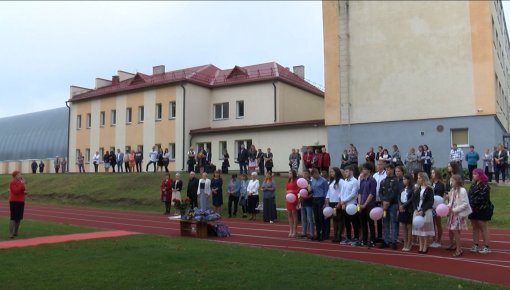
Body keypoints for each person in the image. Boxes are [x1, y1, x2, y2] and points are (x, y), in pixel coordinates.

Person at [468, 168, 494, 254]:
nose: (473, 175)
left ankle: (486, 246)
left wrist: (471, 203)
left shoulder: (485, 185)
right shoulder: (473, 185)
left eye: (475, 174)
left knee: (483, 227)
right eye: (473, 174)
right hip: (473, 209)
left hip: (482, 209)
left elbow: (482, 198)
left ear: (479, 175)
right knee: (474, 227)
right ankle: (475, 245)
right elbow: (469, 195)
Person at [447, 174, 472, 257]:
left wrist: (455, 209)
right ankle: (458, 248)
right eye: (451, 181)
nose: (451, 182)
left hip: (458, 214)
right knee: (455, 232)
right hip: (453, 214)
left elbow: (465, 204)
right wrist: (447, 208)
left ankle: (459, 249)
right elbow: (451, 202)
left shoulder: (462, 190)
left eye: (453, 181)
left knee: (456, 232)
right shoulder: (452, 190)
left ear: (457, 181)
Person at [412, 172, 435, 254]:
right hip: (417, 211)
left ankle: (425, 246)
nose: (418, 179)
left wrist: (423, 210)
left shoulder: (429, 189)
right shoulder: (417, 188)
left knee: (425, 229)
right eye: (418, 178)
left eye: (420, 178)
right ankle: (420, 245)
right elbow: (414, 200)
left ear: (424, 178)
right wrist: (415, 209)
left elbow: (430, 201)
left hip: (425, 211)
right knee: (419, 229)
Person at [379, 164, 399, 249]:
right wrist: (383, 201)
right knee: (385, 223)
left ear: (392, 170)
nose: (387, 171)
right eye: (386, 169)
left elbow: (394, 192)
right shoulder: (383, 181)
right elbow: (380, 192)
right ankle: (386, 240)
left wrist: (388, 202)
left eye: (389, 169)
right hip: (384, 205)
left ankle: (394, 241)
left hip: (393, 205)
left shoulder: (395, 180)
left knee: (393, 223)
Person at [358, 162, 376, 248]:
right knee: (363, 223)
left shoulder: (372, 180)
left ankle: (372, 240)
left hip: (370, 205)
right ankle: (364, 240)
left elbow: (372, 193)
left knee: (371, 223)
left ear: (369, 170)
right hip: (362, 205)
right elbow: (360, 193)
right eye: (363, 169)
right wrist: (359, 203)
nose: (363, 170)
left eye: (364, 169)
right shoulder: (362, 181)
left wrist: (365, 204)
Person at [311, 168, 329, 241]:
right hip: (314, 198)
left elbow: (326, 192)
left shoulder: (324, 181)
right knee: (316, 217)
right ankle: (318, 233)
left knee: (321, 217)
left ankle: (323, 233)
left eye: (314, 175)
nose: (313, 177)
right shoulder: (313, 180)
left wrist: (325, 202)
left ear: (317, 173)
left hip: (321, 199)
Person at [430, 168, 446, 248]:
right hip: (431, 206)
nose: (432, 174)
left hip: (438, 206)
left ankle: (438, 240)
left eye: (433, 173)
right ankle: (433, 240)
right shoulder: (430, 183)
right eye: (431, 173)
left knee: (438, 223)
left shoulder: (441, 184)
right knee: (432, 223)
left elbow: (440, 194)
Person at [8, 171, 27, 239]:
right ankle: (11, 234)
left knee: (19, 218)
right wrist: (22, 184)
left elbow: (23, 190)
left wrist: (24, 187)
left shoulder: (21, 183)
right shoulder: (12, 183)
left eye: (20, 174)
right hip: (14, 201)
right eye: (19, 175)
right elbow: (15, 191)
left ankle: (16, 232)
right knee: (13, 218)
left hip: (21, 201)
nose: (20, 176)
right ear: (15, 176)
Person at [398, 174, 415, 251]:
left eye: (405, 179)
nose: (403, 181)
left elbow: (411, 199)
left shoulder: (413, 188)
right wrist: (400, 206)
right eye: (403, 179)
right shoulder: (401, 188)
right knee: (403, 227)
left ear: (409, 180)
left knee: (409, 227)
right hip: (402, 209)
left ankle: (409, 243)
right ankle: (405, 243)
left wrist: (403, 206)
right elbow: (398, 197)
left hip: (408, 210)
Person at [326, 167, 342, 243]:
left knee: (339, 219)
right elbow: (329, 192)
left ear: (337, 172)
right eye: (330, 172)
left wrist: (339, 203)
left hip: (337, 202)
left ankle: (339, 235)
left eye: (332, 171)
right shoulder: (331, 181)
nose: (331, 173)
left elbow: (342, 192)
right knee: (334, 219)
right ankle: (335, 235)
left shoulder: (341, 181)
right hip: (332, 202)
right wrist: (327, 202)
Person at [373, 159, 387, 243]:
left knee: (385, 219)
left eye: (380, 164)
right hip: (376, 199)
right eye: (377, 164)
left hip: (383, 200)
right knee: (377, 218)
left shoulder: (386, 175)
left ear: (384, 165)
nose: (379, 166)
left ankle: (386, 236)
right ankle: (379, 236)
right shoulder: (374, 175)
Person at [300, 170, 315, 239]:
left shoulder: (309, 183)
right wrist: (299, 199)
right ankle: (304, 232)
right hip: (302, 203)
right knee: (303, 218)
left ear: (309, 175)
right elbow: (299, 192)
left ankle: (312, 233)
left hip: (309, 203)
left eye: (306, 174)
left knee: (310, 218)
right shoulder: (300, 183)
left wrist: (307, 197)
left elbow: (311, 193)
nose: (304, 175)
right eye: (303, 174)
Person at [285, 170, 300, 237]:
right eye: (288, 173)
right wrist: (285, 194)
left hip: (294, 199)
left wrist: (292, 191)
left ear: (293, 174)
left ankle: (295, 230)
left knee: (294, 214)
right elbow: (286, 189)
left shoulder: (296, 181)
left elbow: (299, 190)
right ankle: (290, 230)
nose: (289, 174)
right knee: (289, 215)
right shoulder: (288, 181)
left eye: (290, 173)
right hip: (288, 199)